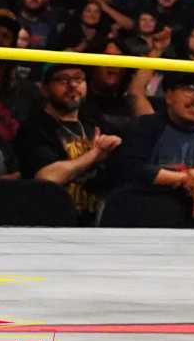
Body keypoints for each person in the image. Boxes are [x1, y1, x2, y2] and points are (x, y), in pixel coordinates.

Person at [111, 70, 194, 217]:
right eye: (189, 89)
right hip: (147, 210)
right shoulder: (146, 125)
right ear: (169, 96)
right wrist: (188, 181)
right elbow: (134, 169)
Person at [12, 64, 121, 224]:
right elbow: (47, 177)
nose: (73, 85)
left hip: (94, 225)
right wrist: (94, 154)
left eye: (78, 78)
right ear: (45, 88)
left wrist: (117, 144)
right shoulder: (34, 128)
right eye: (63, 79)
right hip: (50, 224)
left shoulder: (95, 123)